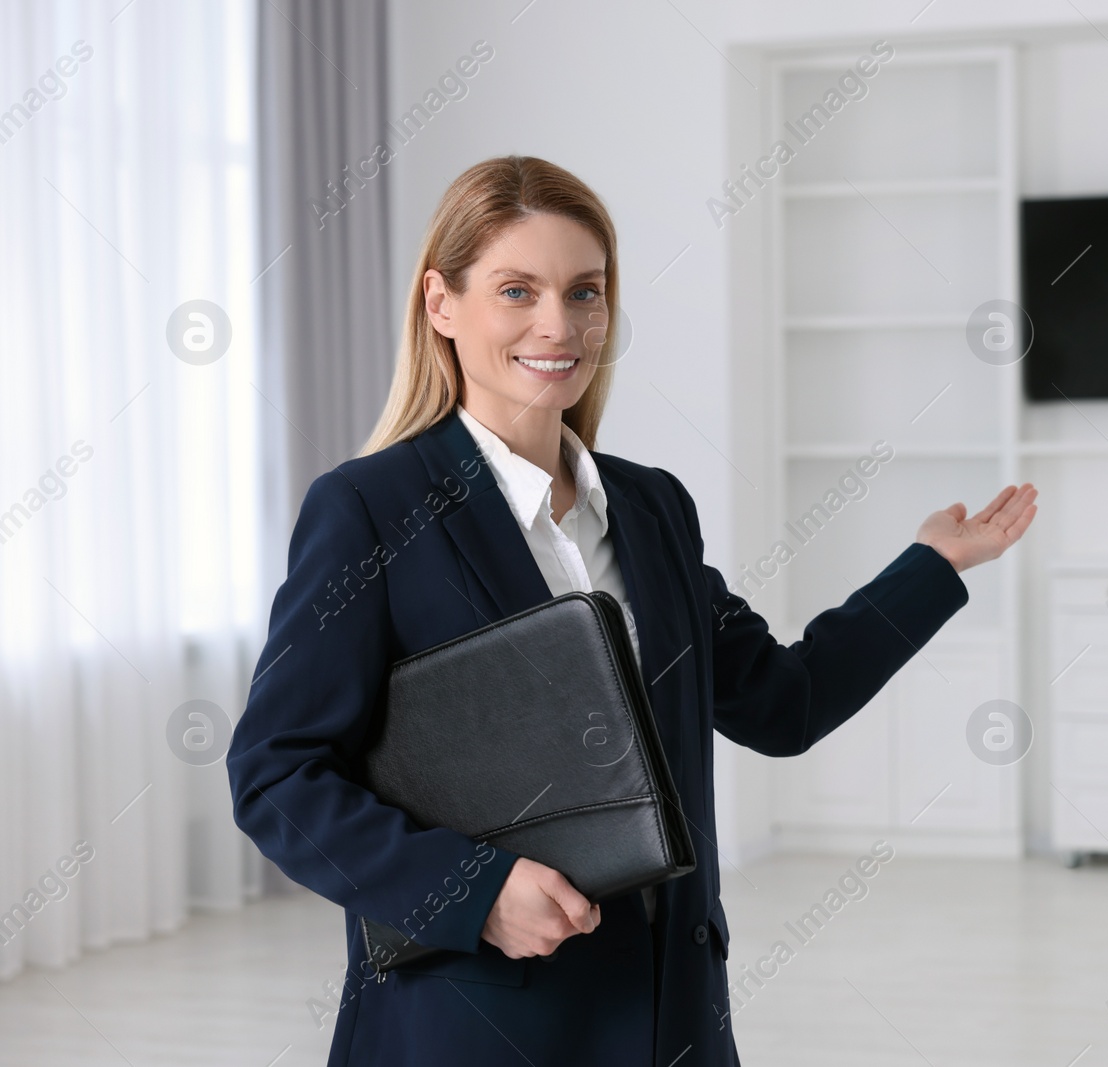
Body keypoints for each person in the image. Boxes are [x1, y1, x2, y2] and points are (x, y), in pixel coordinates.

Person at [226, 155, 1037, 1066]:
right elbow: (276, 778)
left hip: (669, 1018)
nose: (557, 324)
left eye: (585, 293)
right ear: (441, 304)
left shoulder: (652, 509)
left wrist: (932, 566)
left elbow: (782, 702)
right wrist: (473, 889)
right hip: (475, 1023)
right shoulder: (371, 509)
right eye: (517, 290)